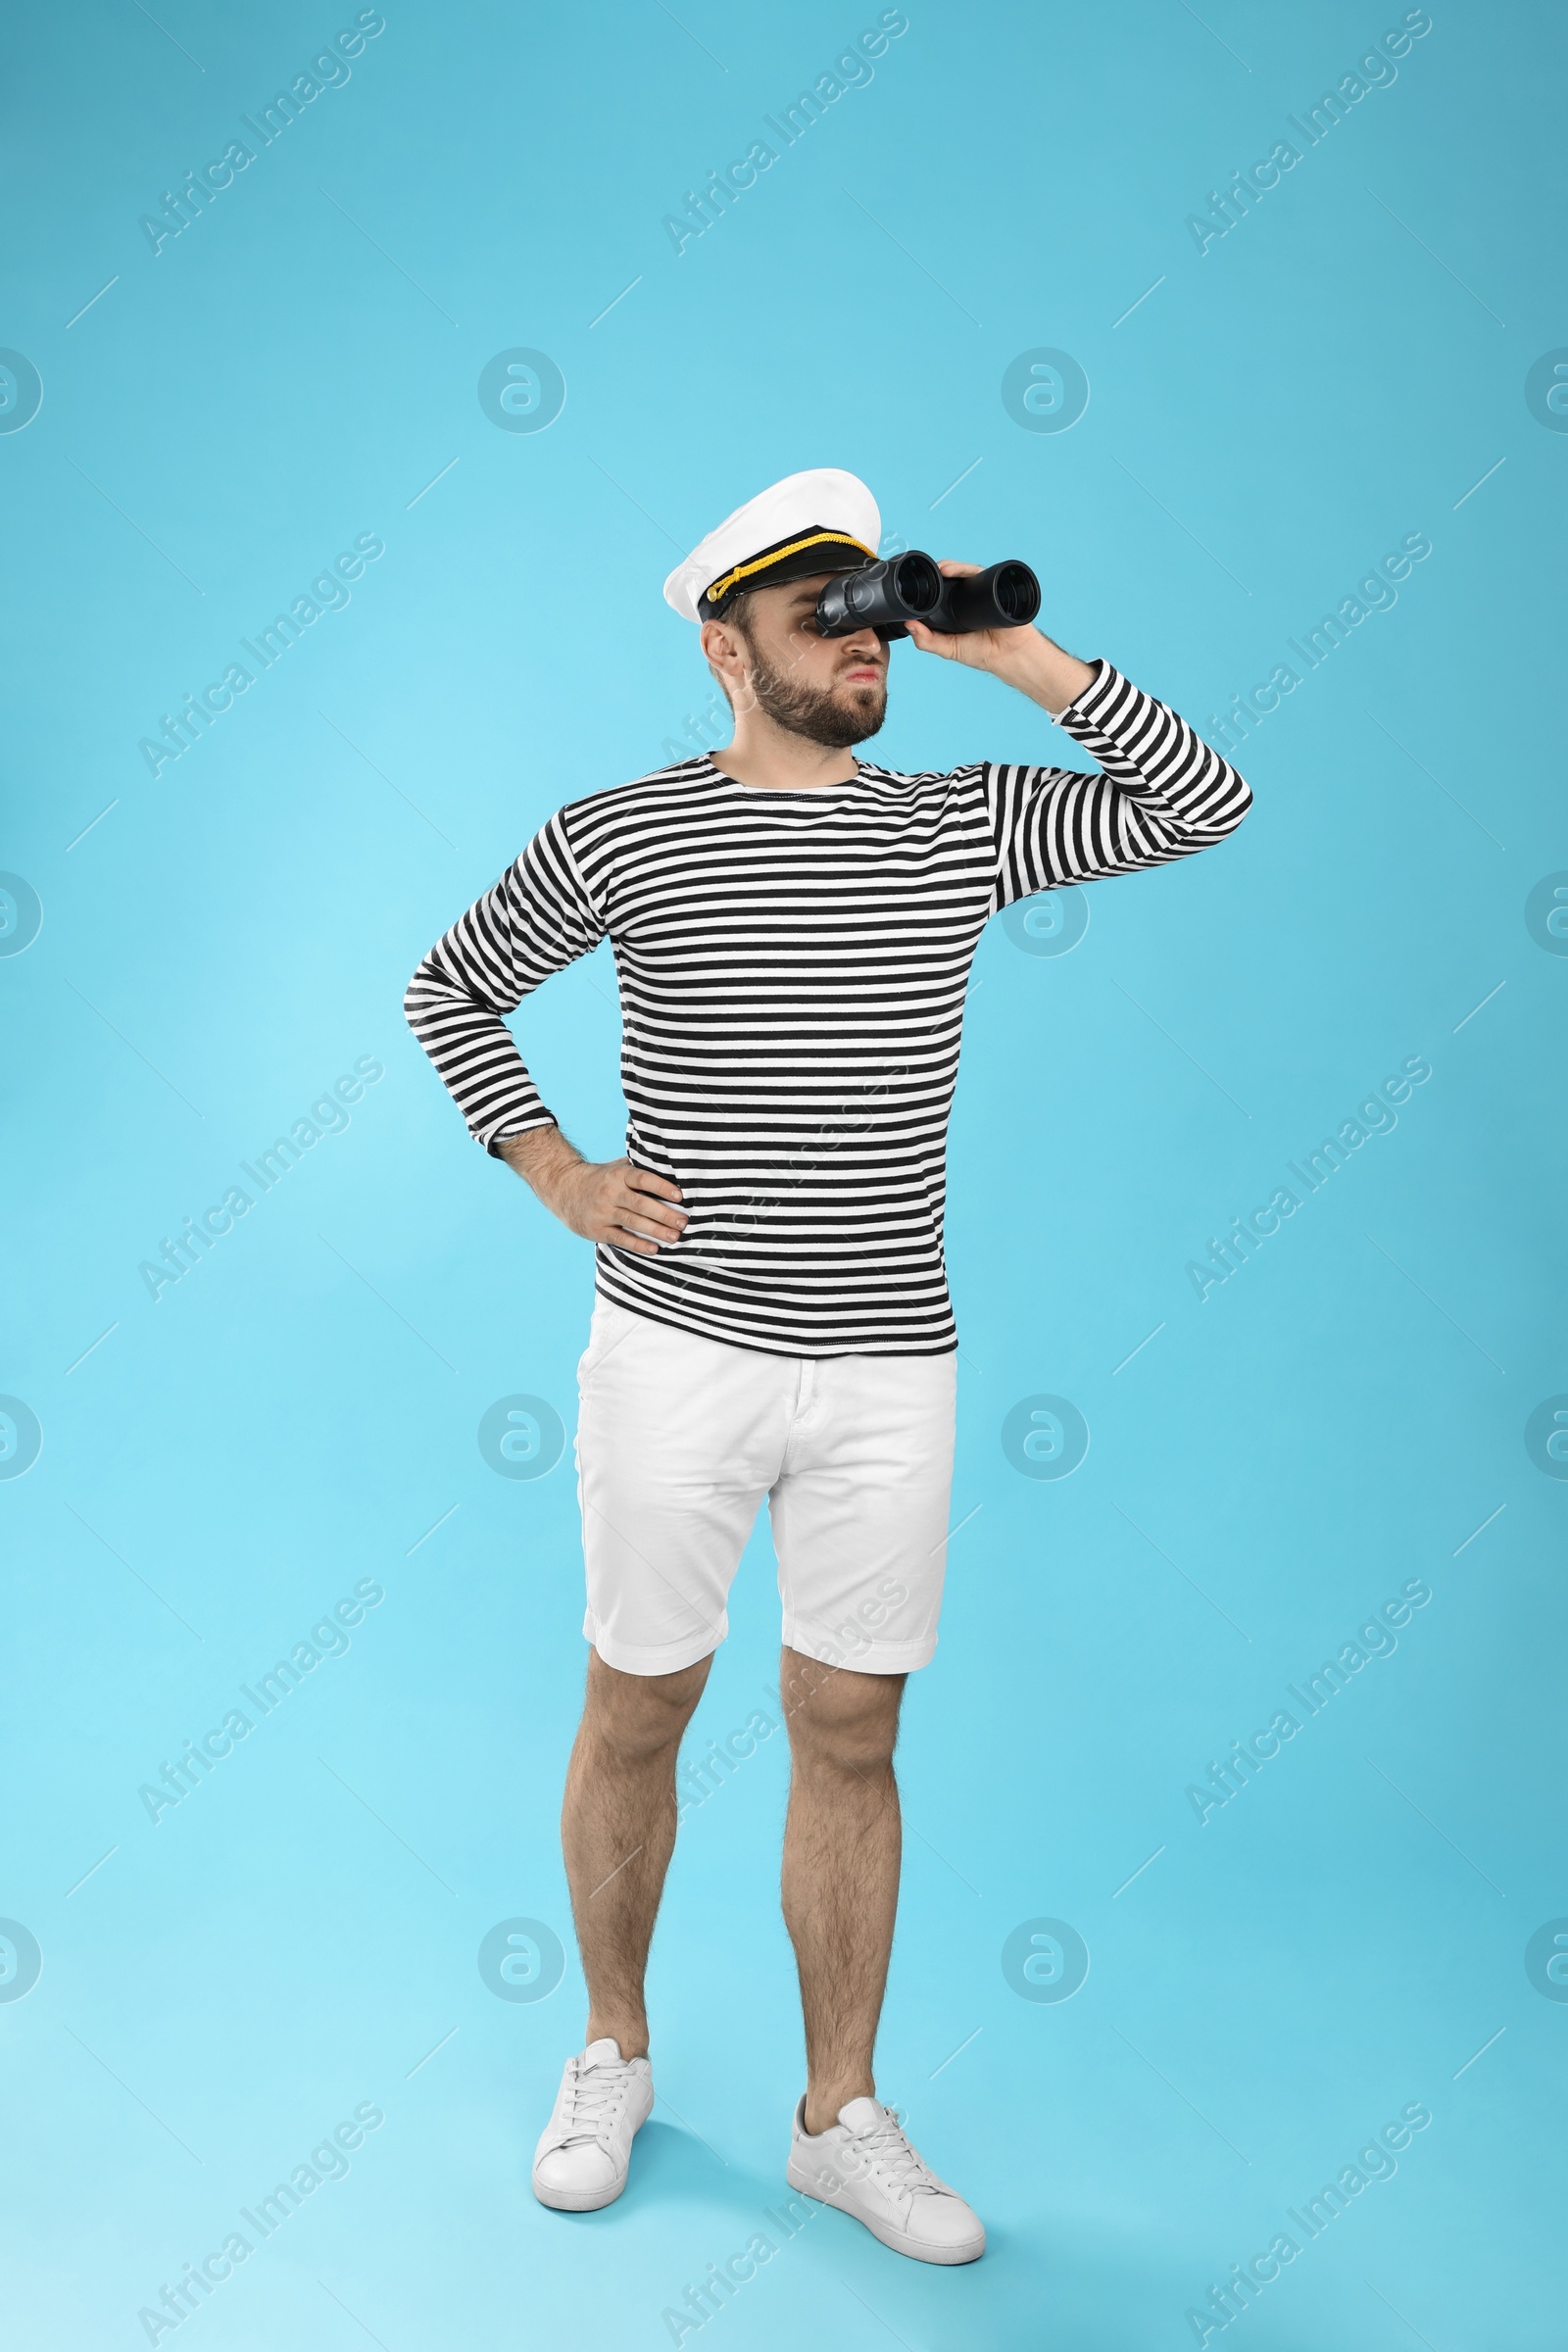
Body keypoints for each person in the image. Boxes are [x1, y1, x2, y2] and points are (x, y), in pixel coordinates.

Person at [404, 467, 1251, 2264]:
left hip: (887, 1373)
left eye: (878, 625)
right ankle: (614, 2051)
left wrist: (1012, 649)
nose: (867, 655)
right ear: (728, 649)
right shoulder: (623, 831)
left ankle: (836, 2119)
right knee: (641, 1704)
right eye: (827, 623)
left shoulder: (958, 823)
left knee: (851, 1731)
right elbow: (450, 988)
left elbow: (1205, 802)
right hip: (678, 1358)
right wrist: (555, 1172)